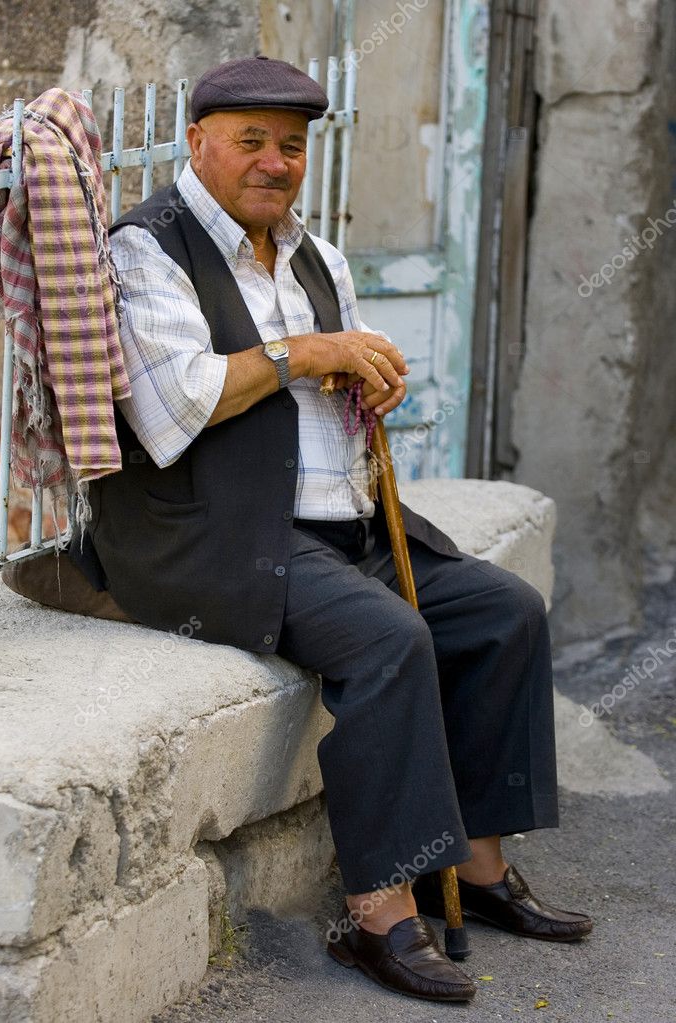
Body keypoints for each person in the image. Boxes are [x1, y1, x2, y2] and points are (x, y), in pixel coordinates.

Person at [76, 56, 592, 1004]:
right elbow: (173, 409)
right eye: (252, 142)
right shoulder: (147, 248)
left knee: (502, 610)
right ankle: (379, 914)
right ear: (199, 143)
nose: (275, 163)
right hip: (210, 533)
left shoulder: (317, 255)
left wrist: (369, 377)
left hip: (339, 515)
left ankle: (474, 869)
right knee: (390, 640)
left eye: (292, 146)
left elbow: (340, 378)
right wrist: (309, 351)